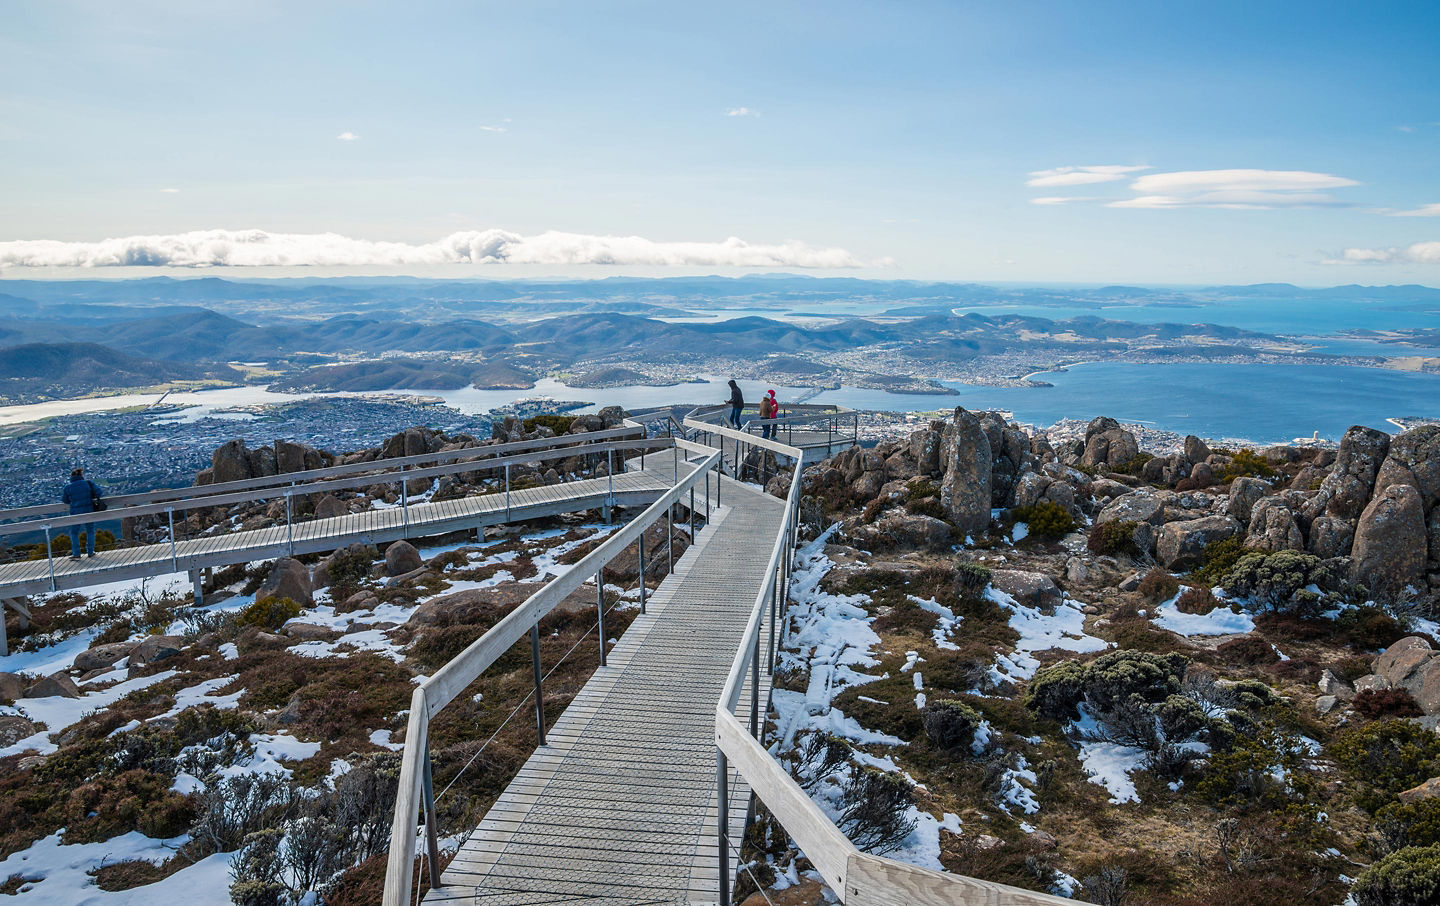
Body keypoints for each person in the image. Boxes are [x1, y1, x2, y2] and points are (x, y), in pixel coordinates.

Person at [61, 467, 104, 559]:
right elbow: (99, 492)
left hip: (75, 512)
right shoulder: (88, 483)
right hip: (89, 510)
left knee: (74, 532)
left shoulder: (68, 487)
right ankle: (90, 552)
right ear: (81, 475)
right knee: (90, 531)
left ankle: (76, 553)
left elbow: (65, 500)